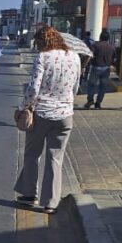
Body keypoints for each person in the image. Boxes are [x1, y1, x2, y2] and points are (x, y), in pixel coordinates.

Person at [15, 26, 81, 214]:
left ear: (43, 42)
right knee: (55, 158)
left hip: (42, 113)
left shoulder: (43, 57)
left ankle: (29, 194)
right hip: (65, 115)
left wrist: (22, 107)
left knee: (32, 155)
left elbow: (33, 89)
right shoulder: (75, 57)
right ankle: (50, 203)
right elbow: (76, 87)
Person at [83, 30, 116, 110]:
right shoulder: (112, 47)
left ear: (100, 37)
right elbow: (114, 59)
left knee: (91, 85)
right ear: (108, 38)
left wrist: (84, 66)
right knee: (103, 87)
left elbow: (90, 56)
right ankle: (98, 103)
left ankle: (90, 100)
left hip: (95, 67)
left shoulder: (95, 45)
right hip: (106, 69)